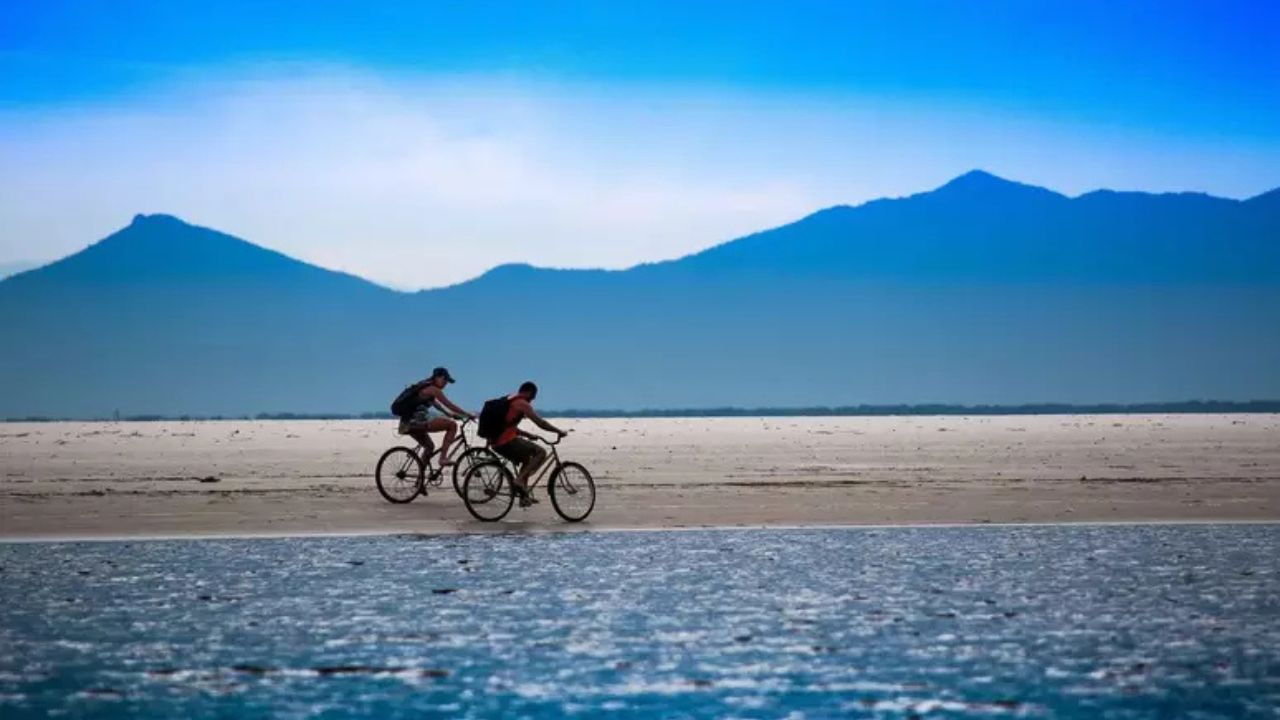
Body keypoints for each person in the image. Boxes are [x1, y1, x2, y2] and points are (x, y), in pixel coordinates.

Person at [491, 381, 567, 506]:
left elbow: (508, 426)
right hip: (506, 441)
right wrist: (558, 431)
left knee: (526, 459)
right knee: (541, 452)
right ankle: (519, 480)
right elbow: (540, 423)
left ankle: (524, 497)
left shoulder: (510, 400)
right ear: (528, 392)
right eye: (532, 397)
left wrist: (527, 435)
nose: (532, 400)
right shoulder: (521, 403)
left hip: (497, 441)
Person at [401, 367, 475, 465]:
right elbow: (449, 404)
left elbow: (437, 405)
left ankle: (421, 477)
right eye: (444, 380)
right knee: (452, 425)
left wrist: (450, 414)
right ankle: (443, 458)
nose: (445, 383)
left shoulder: (425, 386)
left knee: (429, 447)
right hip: (415, 422)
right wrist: (467, 414)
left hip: (406, 424)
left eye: (447, 381)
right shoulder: (433, 389)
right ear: (437, 377)